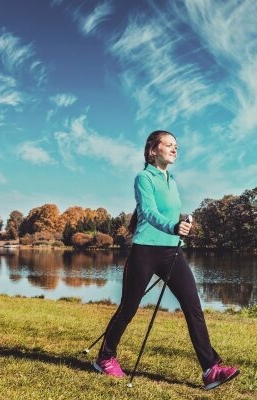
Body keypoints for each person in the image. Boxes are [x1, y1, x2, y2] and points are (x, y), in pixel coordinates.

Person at [93, 130, 239, 390]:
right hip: (145, 252)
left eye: (176, 146)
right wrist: (173, 226)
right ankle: (105, 358)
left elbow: (172, 216)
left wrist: (182, 226)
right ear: (153, 150)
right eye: (169, 145)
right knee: (128, 308)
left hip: (172, 252)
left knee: (193, 307)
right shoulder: (144, 178)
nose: (175, 150)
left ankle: (210, 369)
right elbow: (148, 212)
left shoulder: (172, 179)